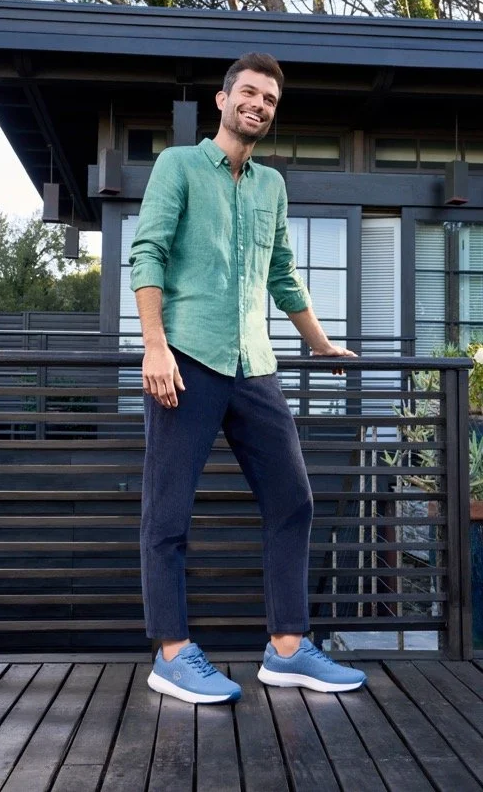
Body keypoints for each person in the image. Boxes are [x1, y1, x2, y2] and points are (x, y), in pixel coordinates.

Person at [128, 52, 368, 704]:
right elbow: (146, 254)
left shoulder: (271, 186)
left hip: (254, 365)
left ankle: (286, 648)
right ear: (223, 98)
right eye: (250, 93)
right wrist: (154, 347)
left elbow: (282, 272)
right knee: (168, 511)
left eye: (270, 100)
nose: (258, 105)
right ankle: (171, 654)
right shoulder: (179, 166)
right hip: (185, 360)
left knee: (293, 499)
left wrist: (320, 343)